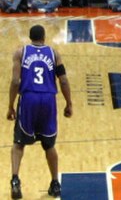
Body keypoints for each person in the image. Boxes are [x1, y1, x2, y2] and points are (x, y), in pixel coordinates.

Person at [7, 25, 73, 198]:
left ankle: (15, 180)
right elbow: (64, 81)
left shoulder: (20, 53)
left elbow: (15, 81)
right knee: (49, 145)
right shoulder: (54, 54)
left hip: (28, 99)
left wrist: (10, 105)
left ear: (30, 37)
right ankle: (55, 184)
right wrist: (69, 103)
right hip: (48, 100)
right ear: (44, 37)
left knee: (19, 143)